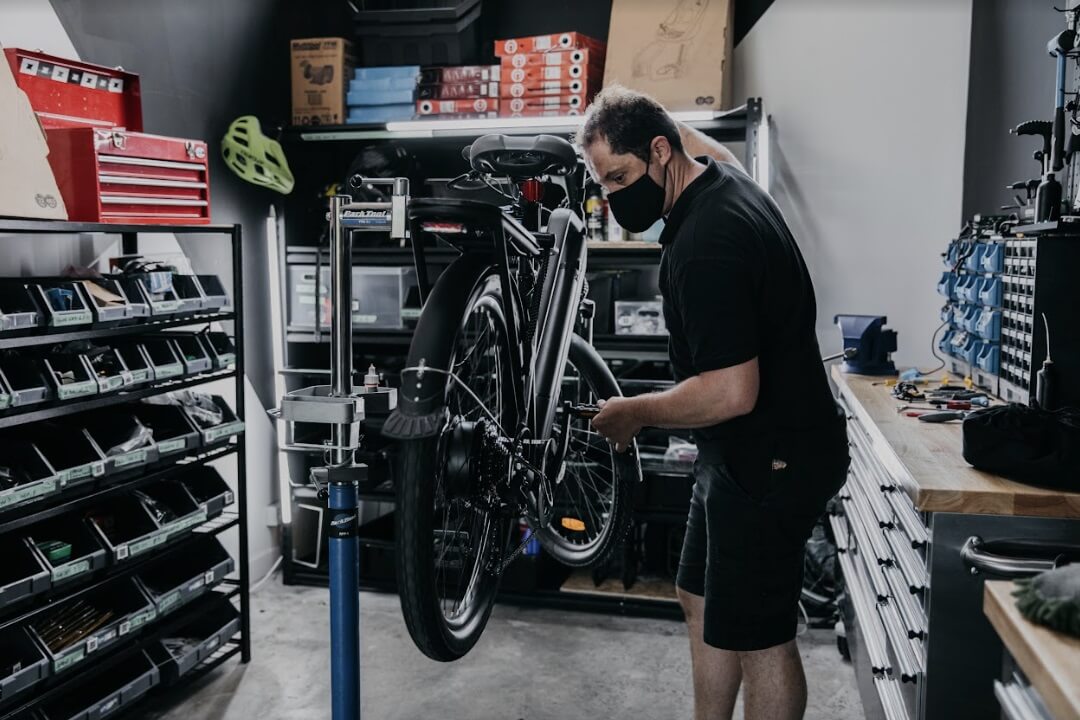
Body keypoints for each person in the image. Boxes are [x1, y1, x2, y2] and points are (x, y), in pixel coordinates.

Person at [580, 86, 850, 720]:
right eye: (602, 184)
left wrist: (635, 411)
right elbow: (685, 135)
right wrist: (614, 103)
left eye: (620, 177)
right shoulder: (721, 178)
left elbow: (732, 391)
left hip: (770, 461)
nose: (615, 198)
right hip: (738, 456)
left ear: (659, 152)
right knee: (698, 595)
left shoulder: (705, 244)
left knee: (762, 639)